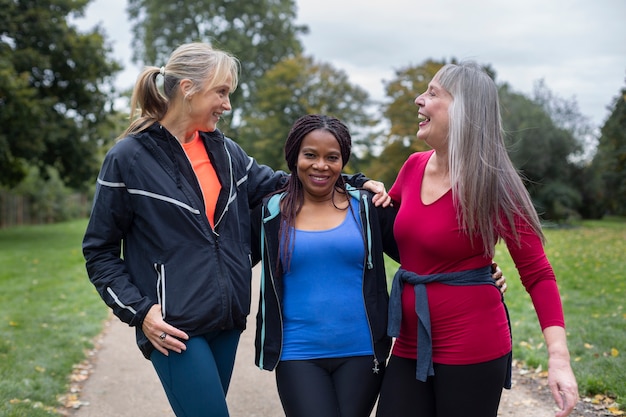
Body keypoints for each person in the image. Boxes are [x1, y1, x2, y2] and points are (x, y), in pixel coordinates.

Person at [82, 44, 386, 417]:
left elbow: (288, 183)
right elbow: (99, 251)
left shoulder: (226, 152)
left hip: (226, 322)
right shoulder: (128, 158)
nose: (227, 105)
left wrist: (357, 182)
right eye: (221, 93)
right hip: (174, 329)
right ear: (188, 88)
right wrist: (142, 312)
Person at [252, 114, 506, 417]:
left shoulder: (367, 209)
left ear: (343, 161)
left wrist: (478, 271)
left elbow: (421, 251)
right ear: (294, 156)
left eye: (332, 157)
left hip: (362, 354)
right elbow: (232, 261)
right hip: (297, 352)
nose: (321, 165)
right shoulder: (271, 213)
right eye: (310, 155)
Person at [375, 62, 578, 417]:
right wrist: (367, 188)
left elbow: (538, 273)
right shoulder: (412, 167)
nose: (419, 100)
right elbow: (399, 235)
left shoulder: (496, 184)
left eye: (433, 93)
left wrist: (558, 357)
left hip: (472, 347)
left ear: (464, 108)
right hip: (409, 342)